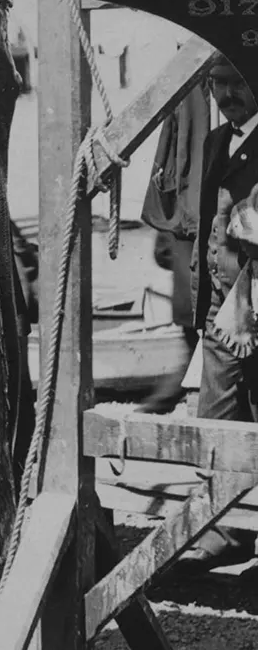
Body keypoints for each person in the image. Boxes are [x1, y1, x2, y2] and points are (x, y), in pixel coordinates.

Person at [175, 52, 258, 572]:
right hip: (217, 308)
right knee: (216, 418)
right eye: (216, 84)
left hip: (252, 304)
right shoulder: (215, 140)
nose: (225, 95)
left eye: (235, 84)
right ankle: (226, 530)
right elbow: (208, 223)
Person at [137, 79, 209, 415]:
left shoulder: (189, 94)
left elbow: (161, 252)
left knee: (196, 349)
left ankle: (166, 400)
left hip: (186, 244)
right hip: (192, 248)